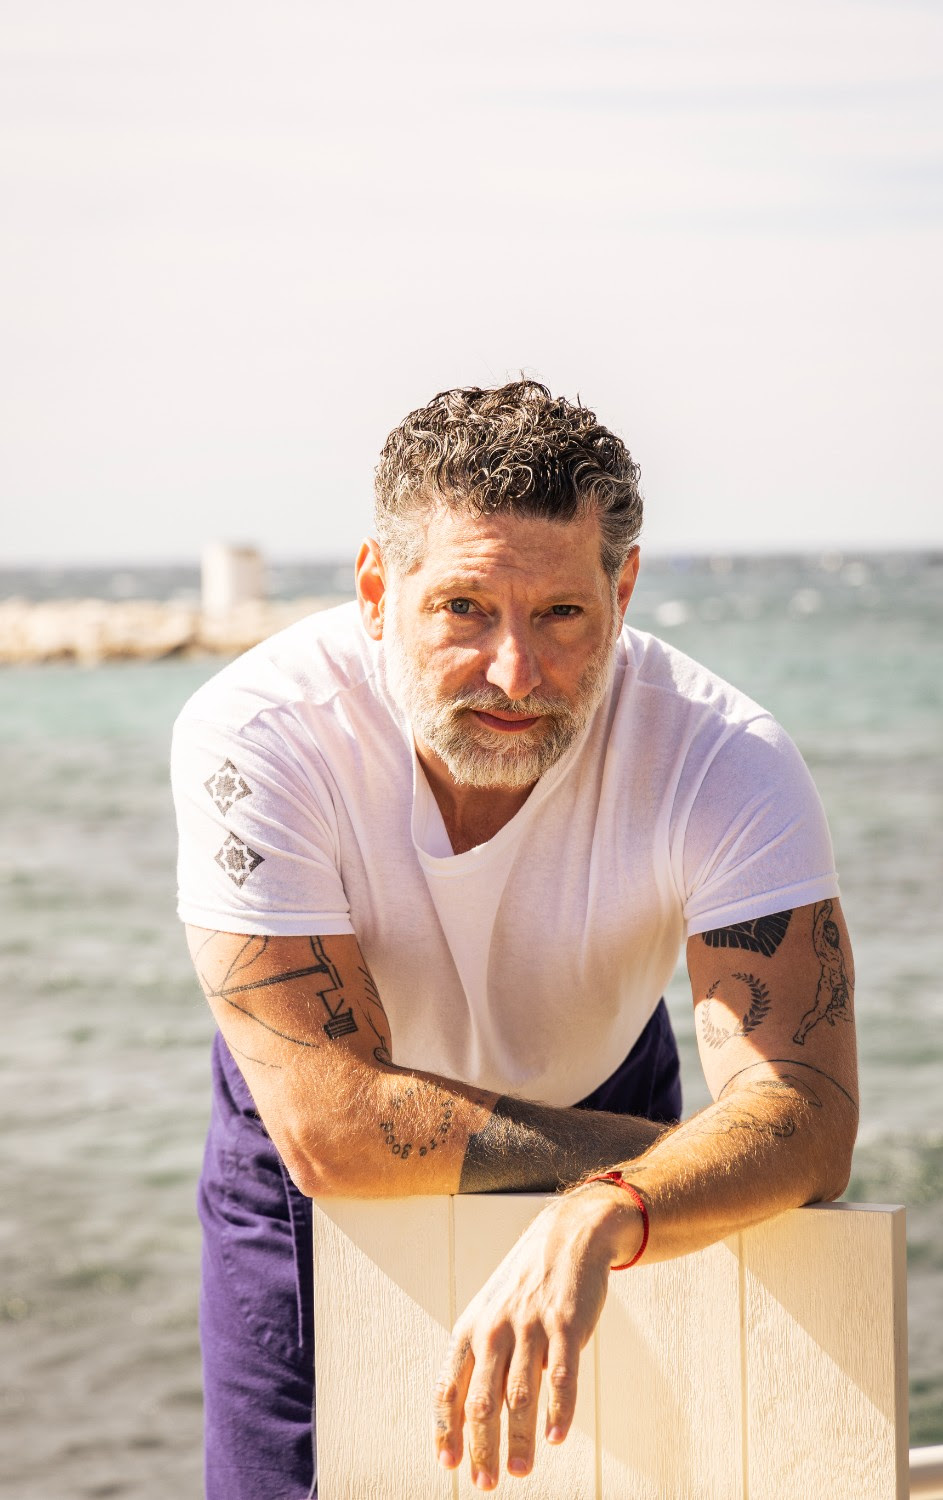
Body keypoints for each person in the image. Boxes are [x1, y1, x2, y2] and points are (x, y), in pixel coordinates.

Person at [171, 379, 858, 1498]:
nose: (514, 674)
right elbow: (334, 1127)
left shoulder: (721, 754)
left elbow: (809, 1116)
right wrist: (651, 1163)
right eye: (463, 609)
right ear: (377, 589)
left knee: (615, 1475)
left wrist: (612, 1206)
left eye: (562, 615)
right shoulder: (259, 735)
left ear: (621, 592)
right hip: (314, 1138)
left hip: (607, 1084)